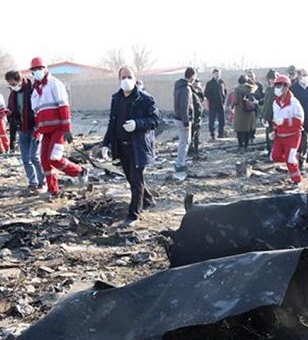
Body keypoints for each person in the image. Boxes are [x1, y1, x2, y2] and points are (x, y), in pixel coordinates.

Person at [100, 67, 159, 225]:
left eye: (129, 76)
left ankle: (133, 214)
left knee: (136, 180)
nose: (126, 80)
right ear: (119, 79)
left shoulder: (145, 99)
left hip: (137, 146)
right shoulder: (116, 99)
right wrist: (106, 144)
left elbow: (155, 120)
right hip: (121, 146)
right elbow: (112, 123)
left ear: (135, 78)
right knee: (131, 178)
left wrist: (137, 124)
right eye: (123, 77)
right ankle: (147, 199)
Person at [29, 57, 88, 195]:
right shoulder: (36, 91)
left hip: (58, 129)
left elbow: (63, 107)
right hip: (46, 132)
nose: (37, 71)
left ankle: (79, 171)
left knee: (54, 158)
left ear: (45, 68)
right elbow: (37, 115)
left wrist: (67, 129)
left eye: (40, 68)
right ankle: (53, 190)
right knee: (44, 161)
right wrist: (37, 133)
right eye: (35, 69)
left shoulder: (55, 84)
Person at [5, 69, 45, 192]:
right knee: (25, 158)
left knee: (34, 157)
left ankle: (42, 181)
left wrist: (39, 129)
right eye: (10, 84)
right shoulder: (13, 94)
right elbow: (14, 110)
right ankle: (32, 182)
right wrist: (10, 114)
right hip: (22, 128)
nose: (12, 86)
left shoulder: (32, 90)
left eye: (12, 83)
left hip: (34, 127)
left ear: (19, 80)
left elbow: (38, 110)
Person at [270, 74, 305, 185]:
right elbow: (276, 120)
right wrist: (274, 130)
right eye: (276, 85)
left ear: (286, 87)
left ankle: (297, 180)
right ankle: (294, 156)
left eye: (280, 85)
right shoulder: (275, 103)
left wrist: (285, 122)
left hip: (293, 136)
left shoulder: (294, 103)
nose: (278, 88)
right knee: (274, 156)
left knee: (290, 159)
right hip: (280, 136)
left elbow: (299, 121)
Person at [291, 69, 308, 167]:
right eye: (303, 75)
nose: (305, 77)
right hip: (299, 118)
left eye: (306, 75)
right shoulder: (293, 88)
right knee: (301, 141)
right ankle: (300, 161)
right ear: (298, 76)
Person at [173, 67, 195, 172]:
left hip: (178, 117)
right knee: (184, 142)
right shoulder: (186, 88)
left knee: (183, 142)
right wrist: (186, 121)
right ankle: (180, 164)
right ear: (192, 76)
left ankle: (180, 162)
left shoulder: (178, 86)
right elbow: (184, 105)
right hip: (183, 119)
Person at [232, 75, 258, 151]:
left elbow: (236, 101)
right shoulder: (251, 88)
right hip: (250, 111)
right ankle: (246, 145)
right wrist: (249, 79)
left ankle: (240, 145)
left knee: (239, 128)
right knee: (247, 128)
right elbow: (256, 85)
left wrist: (233, 106)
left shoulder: (237, 89)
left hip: (240, 111)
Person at [204, 68, 228, 139]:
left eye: (218, 74)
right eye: (216, 74)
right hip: (212, 104)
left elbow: (225, 92)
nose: (217, 75)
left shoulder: (222, 82)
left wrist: (223, 99)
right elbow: (206, 94)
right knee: (212, 121)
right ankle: (212, 134)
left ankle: (221, 134)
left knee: (222, 121)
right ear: (213, 74)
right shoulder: (209, 83)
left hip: (221, 104)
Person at [259, 69, 278, 152]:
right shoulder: (269, 89)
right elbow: (266, 103)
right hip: (269, 116)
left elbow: (270, 104)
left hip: (273, 116)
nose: (272, 80)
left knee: (272, 136)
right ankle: (271, 151)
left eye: (274, 78)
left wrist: (266, 116)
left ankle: (273, 152)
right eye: (271, 78)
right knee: (270, 135)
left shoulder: (275, 89)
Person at [189, 78, 205, 156]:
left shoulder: (198, 92)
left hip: (198, 115)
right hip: (193, 115)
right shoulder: (190, 91)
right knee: (192, 133)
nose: (197, 84)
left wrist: (200, 90)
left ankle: (196, 148)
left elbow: (201, 100)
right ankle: (191, 149)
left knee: (197, 133)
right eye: (196, 82)